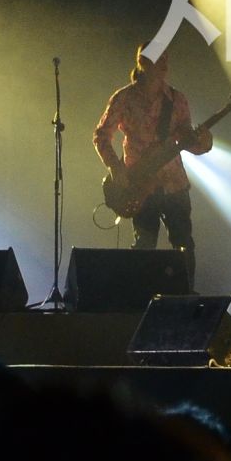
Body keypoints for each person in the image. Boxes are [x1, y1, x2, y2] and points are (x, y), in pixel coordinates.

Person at [93, 48, 200, 287]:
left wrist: (202, 143)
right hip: (139, 184)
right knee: (144, 245)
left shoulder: (177, 99)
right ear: (143, 63)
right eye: (158, 59)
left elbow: (188, 139)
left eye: (165, 59)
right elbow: (101, 135)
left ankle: (186, 295)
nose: (164, 64)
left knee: (184, 244)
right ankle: (140, 297)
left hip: (174, 182)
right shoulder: (124, 98)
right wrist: (116, 168)